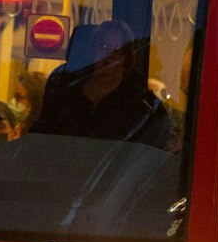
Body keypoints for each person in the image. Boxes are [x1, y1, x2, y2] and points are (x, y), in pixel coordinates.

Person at [26, 20, 173, 148]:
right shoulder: (64, 88)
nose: (108, 56)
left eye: (117, 50)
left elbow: (161, 137)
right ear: (91, 51)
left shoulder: (138, 100)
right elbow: (43, 134)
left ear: (126, 57)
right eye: (102, 47)